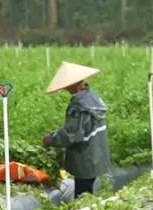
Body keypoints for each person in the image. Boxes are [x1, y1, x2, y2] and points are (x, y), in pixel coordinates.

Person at [42, 62, 111, 199]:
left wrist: (52, 138)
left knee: (83, 195)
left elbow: (72, 134)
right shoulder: (92, 96)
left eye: (67, 85)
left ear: (74, 83)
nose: (66, 89)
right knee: (88, 189)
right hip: (97, 152)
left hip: (85, 157)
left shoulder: (79, 105)